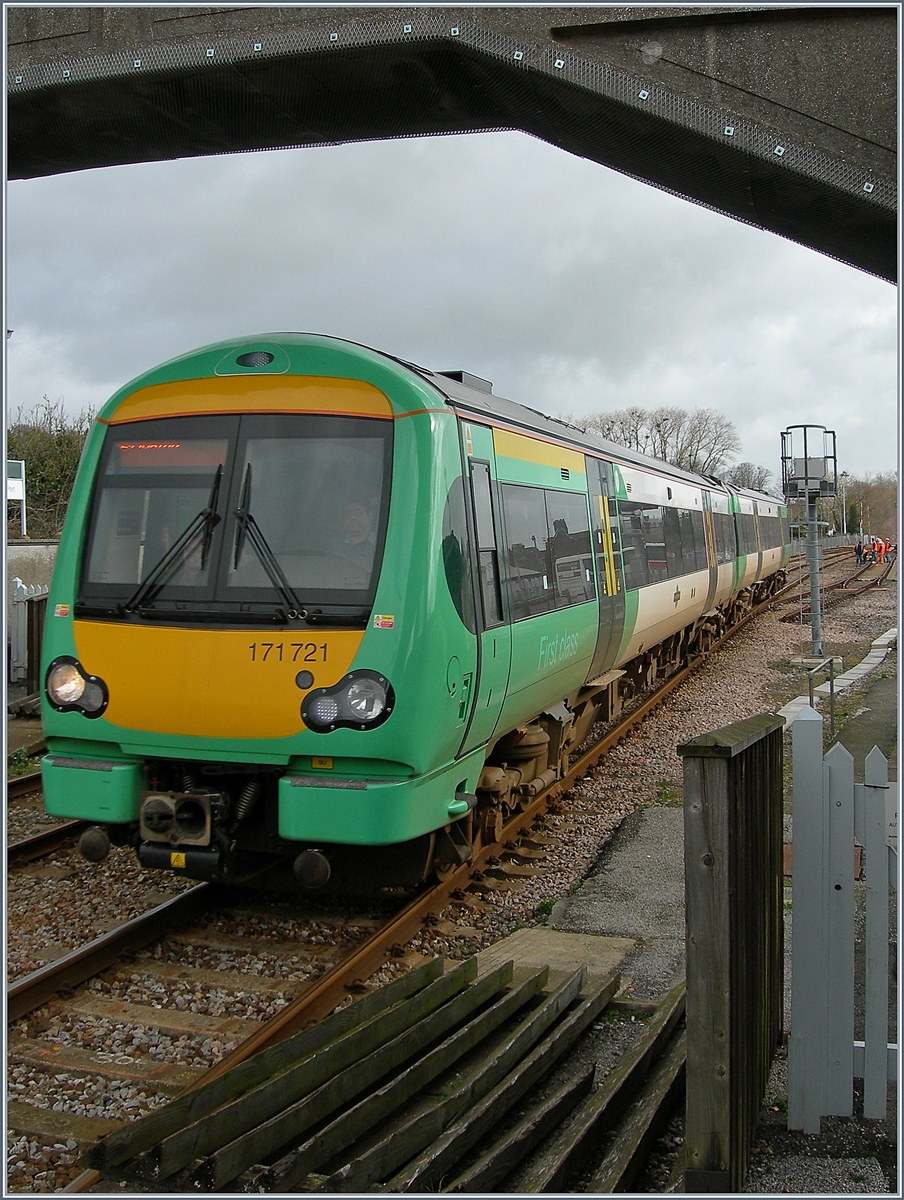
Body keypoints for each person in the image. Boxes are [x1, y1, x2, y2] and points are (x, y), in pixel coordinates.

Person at [337, 498, 376, 570]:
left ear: (370, 516)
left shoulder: (383, 543)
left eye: (357, 512)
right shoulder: (334, 547)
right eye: (348, 514)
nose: (352, 517)